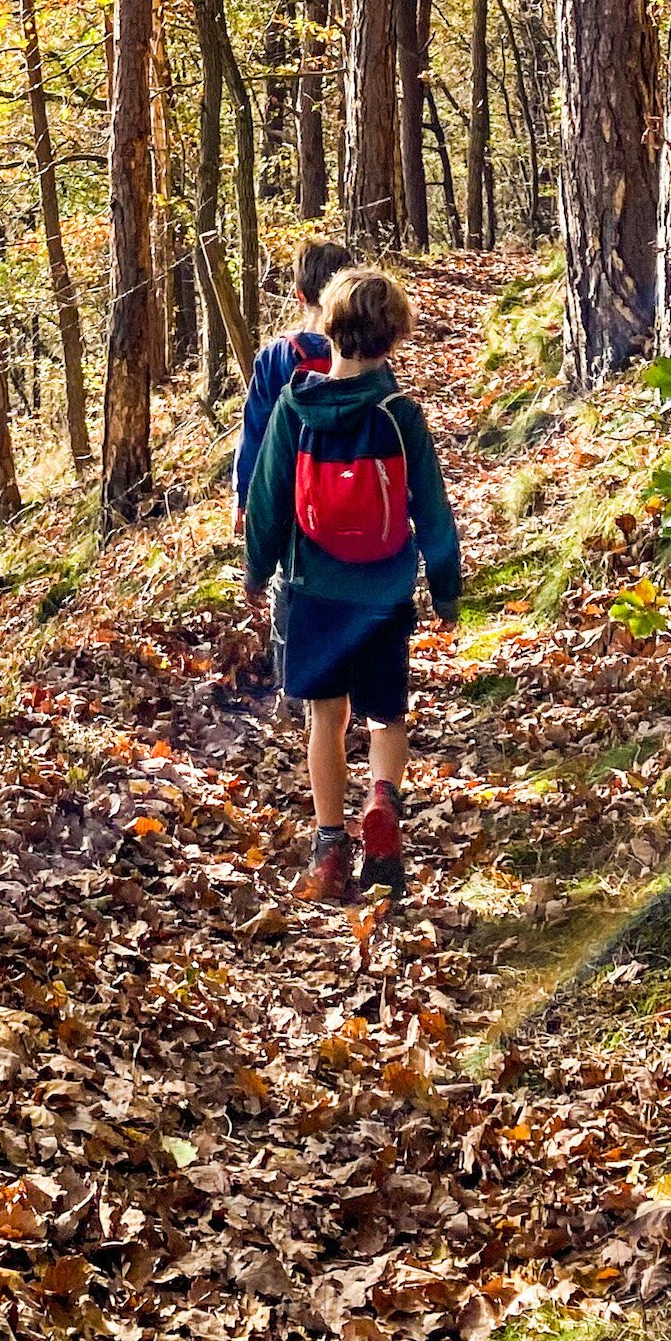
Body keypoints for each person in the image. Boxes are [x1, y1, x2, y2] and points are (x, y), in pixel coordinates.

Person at [242, 264, 460, 904]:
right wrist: (445, 588)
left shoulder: (295, 407)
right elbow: (433, 509)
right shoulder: (401, 414)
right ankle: (384, 803)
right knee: (387, 714)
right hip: (385, 593)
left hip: (312, 588)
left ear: (327, 329)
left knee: (326, 717)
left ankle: (330, 846)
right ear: (393, 339)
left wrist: (258, 571)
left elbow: (268, 500)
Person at [231, 235, 353, 528]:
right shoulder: (364, 351)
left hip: (291, 498)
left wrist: (243, 495)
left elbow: (255, 431)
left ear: (299, 294)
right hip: (354, 491)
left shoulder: (275, 357)